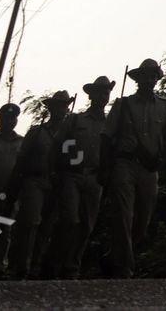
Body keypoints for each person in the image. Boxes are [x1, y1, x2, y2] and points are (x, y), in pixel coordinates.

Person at [104, 59, 166, 279]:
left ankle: (113, 256)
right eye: (145, 75)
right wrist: (104, 169)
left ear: (156, 79)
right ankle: (126, 267)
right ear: (138, 79)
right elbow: (106, 138)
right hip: (124, 164)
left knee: (142, 221)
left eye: (152, 75)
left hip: (149, 167)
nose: (149, 79)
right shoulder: (122, 105)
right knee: (124, 216)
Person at [49, 75, 112, 278]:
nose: (103, 95)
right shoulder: (75, 119)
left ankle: (71, 266)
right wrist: (57, 171)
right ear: (91, 95)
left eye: (106, 91)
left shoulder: (111, 123)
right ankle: (54, 261)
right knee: (69, 220)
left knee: (87, 224)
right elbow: (58, 145)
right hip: (73, 174)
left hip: (96, 177)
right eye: (99, 91)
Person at [6, 91, 72, 279]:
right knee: (30, 222)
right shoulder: (36, 132)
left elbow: (70, 160)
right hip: (34, 180)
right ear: (50, 108)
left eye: (63, 105)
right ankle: (20, 266)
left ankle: (36, 267)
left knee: (46, 226)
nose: (60, 109)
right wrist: (14, 186)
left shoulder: (68, 135)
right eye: (56, 105)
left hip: (55, 183)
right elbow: (22, 160)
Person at [0, 102, 24, 280]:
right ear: (0, 120)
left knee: (4, 230)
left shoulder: (22, 142)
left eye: (12, 118)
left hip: (10, 194)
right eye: (6, 117)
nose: (9, 121)